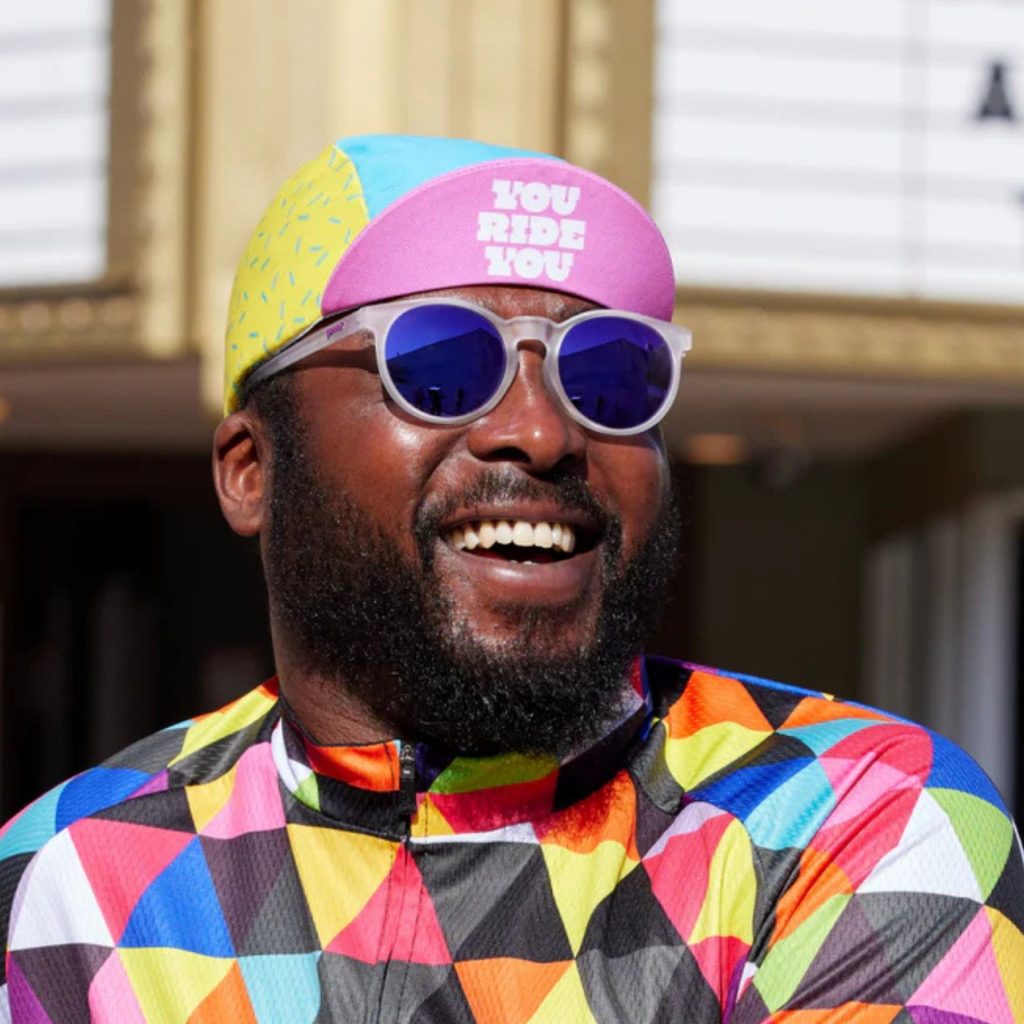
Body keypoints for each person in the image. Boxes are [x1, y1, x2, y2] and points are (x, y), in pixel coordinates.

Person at [0, 134, 1021, 1022]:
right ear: (251, 471)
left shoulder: (847, 816)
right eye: (440, 366)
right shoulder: (72, 874)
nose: (540, 431)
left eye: (608, 376)